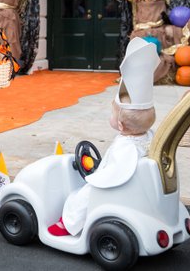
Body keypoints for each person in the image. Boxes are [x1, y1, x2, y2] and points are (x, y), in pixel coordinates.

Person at [48, 37, 160, 236]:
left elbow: (111, 176)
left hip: (118, 189)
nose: (110, 116)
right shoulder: (148, 137)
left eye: (112, 113)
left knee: (84, 194)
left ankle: (68, 223)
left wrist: (95, 176)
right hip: (138, 190)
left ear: (120, 124)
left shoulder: (126, 147)